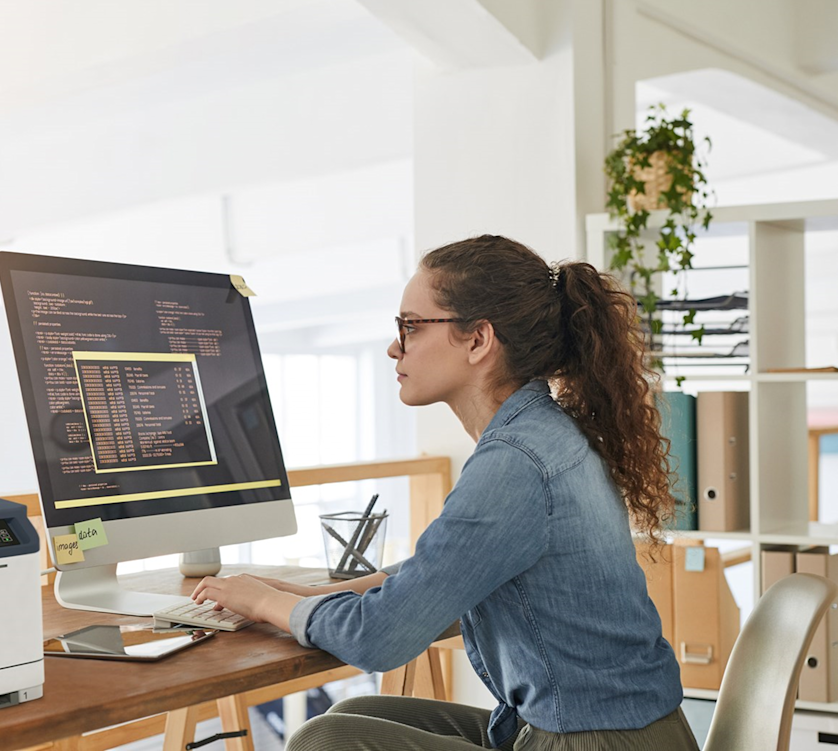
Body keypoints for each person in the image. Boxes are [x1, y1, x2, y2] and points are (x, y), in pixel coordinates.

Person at [191, 235, 699, 750]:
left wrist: (262, 601)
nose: (394, 346)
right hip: (613, 729)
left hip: (596, 742)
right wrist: (311, 597)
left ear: (478, 340)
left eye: (409, 327)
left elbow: (380, 637)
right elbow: (444, 578)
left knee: (328, 741)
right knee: (356, 713)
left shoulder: (516, 463)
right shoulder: (537, 434)